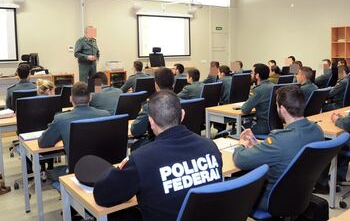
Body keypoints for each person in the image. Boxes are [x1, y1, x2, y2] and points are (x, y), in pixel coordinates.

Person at [93, 91, 223, 221]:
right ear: (182, 115)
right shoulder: (210, 147)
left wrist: (119, 170)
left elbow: (102, 196)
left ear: (151, 121)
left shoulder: (141, 159)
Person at [233, 85, 324, 210]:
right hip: (300, 195)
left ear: (282, 109)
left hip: (272, 199)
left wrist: (241, 145)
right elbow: (284, 152)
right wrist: (257, 145)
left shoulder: (280, 139)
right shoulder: (317, 130)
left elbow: (241, 160)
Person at [38, 82, 111, 155]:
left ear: (70, 99)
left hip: (77, 166)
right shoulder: (106, 115)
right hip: (105, 165)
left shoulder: (60, 119)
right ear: (91, 97)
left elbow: (43, 143)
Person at [130, 68, 175, 150]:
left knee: (135, 146)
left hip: (156, 145)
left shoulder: (150, 105)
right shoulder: (179, 101)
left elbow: (135, 131)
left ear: (156, 84)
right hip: (176, 141)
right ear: (173, 83)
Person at [241, 63, 274, 135]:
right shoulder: (274, 86)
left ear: (257, 75)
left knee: (238, 130)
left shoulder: (257, 90)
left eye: (252, 72)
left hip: (263, 127)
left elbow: (245, 110)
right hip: (275, 125)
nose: (251, 74)